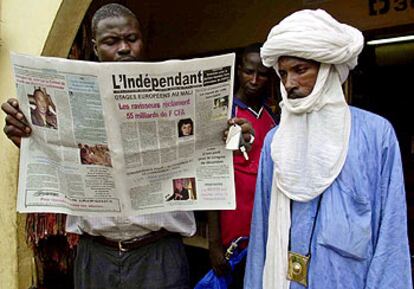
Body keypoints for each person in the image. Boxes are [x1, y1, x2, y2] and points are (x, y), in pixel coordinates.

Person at [1, 4, 254, 289]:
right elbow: (53, 160)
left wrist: (234, 135)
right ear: (95, 47)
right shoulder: (70, 101)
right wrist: (26, 136)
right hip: (96, 255)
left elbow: (214, 151)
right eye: (111, 42)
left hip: (159, 254)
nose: (123, 48)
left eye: (131, 39)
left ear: (142, 41)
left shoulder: (174, 98)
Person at [244, 9, 412, 289]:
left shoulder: (375, 135)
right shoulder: (276, 141)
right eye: (283, 73)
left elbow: (390, 237)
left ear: (327, 70)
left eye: (301, 70)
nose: (289, 84)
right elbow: (262, 231)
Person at [207, 43, 277, 289]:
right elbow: (212, 178)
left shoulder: (273, 118)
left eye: (263, 74)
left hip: (265, 233)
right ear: (239, 71)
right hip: (231, 238)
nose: (255, 79)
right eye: (249, 72)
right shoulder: (225, 114)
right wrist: (214, 243)